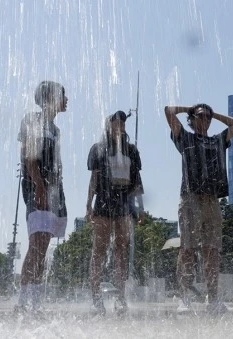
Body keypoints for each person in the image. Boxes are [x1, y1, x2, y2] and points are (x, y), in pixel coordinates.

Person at [164, 103, 233, 315]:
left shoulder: (217, 140)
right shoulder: (185, 138)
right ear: (191, 118)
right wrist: (191, 107)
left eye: (208, 117)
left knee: (212, 251)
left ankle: (213, 299)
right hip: (190, 198)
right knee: (187, 249)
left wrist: (213, 113)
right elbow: (168, 111)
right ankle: (185, 298)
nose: (205, 119)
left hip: (212, 201)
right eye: (200, 116)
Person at [15, 80, 69, 314]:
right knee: (36, 244)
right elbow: (28, 156)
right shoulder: (32, 120)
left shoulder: (55, 129)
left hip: (54, 188)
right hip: (37, 186)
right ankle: (23, 302)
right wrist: (38, 187)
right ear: (51, 98)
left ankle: (34, 302)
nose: (66, 101)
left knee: (43, 245)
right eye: (63, 96)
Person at [86, 110, 144, 316]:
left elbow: (137, 181)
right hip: (103, 203)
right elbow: (93, 179)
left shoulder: (131, 150)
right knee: (99, 250)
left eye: (122, 122)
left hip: (124, 204)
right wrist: (88, 206)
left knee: (121, 251)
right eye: (115, 121)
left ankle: (121, 297)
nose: (120, 124)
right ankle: (96, 299)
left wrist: (140, 208)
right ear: (108, 125)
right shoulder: (98, 148)